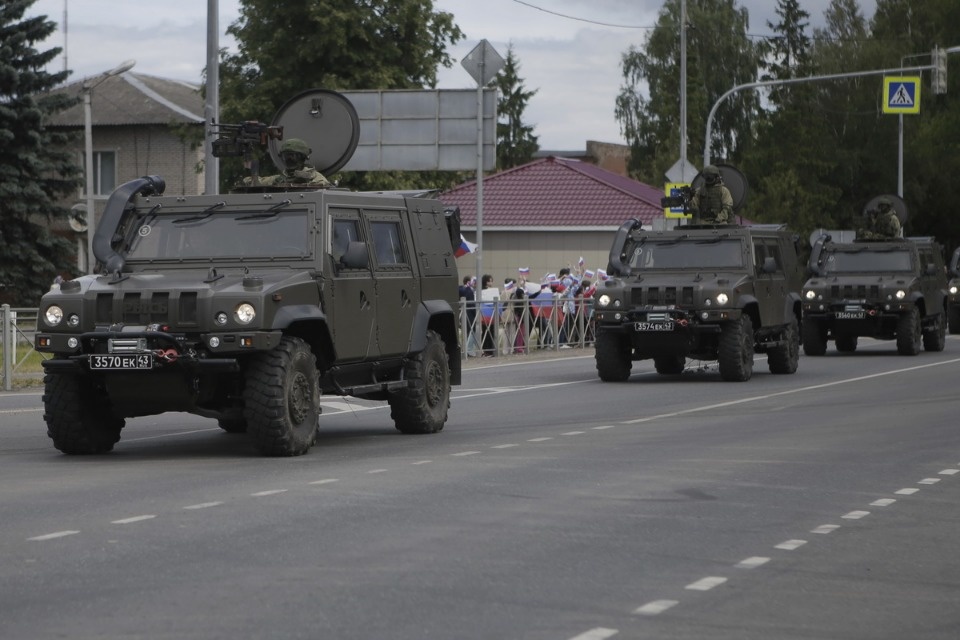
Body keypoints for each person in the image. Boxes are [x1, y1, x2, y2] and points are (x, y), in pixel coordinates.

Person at [246, 138, 332, 187]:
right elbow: (252, 181)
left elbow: (322, 186)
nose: (289, 159)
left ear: (303, 157)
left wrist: (295, 185)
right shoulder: (279, 179)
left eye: (293, 155)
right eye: (286, 156)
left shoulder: (315, 178)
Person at [459, 275, 479, 357]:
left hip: (463, 312)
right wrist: (476, 313)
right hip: (469, 313)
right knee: (471, 330)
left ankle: (466, 349)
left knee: (466, 331)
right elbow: (471, 304)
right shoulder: (468, 291)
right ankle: (469, 350)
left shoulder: (461, 289)